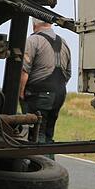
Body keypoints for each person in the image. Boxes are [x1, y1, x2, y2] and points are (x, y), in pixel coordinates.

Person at [18, 19, 71, 148]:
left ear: (34, 24)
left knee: (36, 135)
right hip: (59, 94)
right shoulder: (63, 42)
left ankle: (40, 165)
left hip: (39, 95)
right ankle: (51, 163)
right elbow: (68, 73)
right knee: (48, 135)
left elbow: (24, 71)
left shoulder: (33, 41)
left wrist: (21, 93)